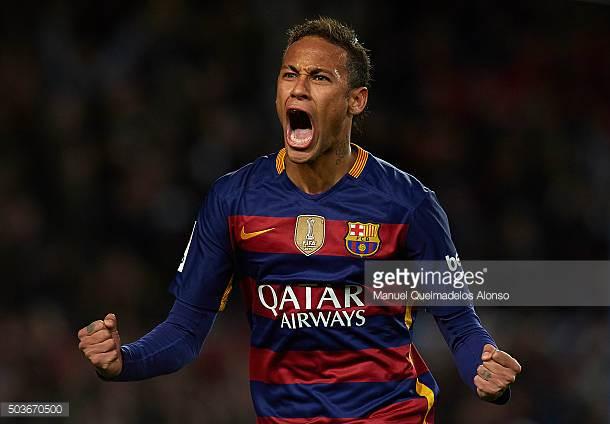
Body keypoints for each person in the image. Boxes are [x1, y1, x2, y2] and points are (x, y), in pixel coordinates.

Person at [78, 17, 521, 423]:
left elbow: (459, 324)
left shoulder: (407, 205)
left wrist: (487, 372)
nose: (299, 89)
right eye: (290, 74)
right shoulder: (234, 200)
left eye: (320, 77)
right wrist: (124, 361)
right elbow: (185, 330)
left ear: (355, 101)